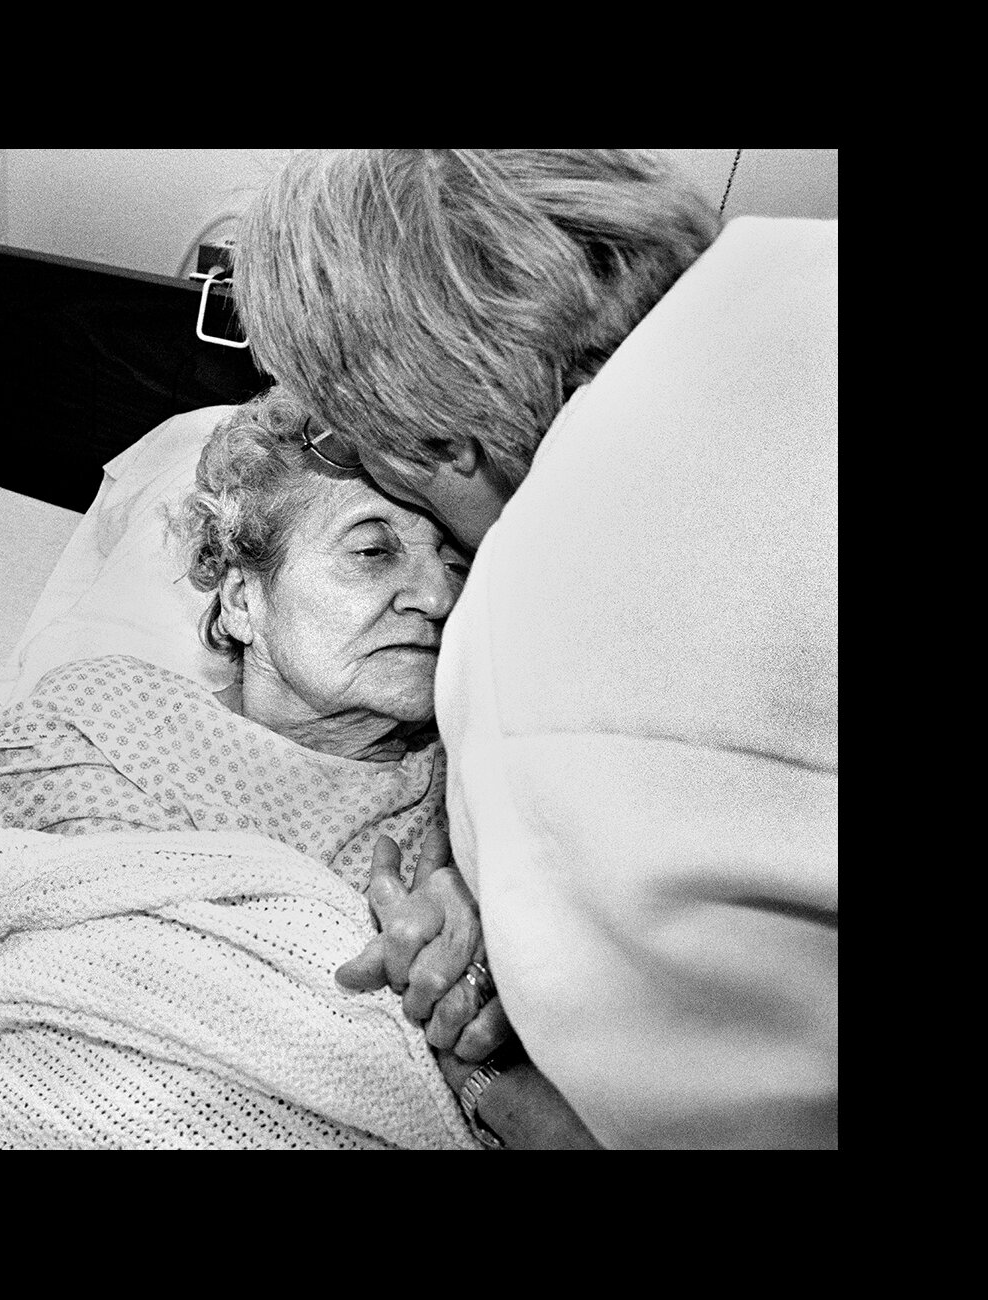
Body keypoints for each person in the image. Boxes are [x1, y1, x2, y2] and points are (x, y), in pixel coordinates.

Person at [233, 149, 836, 1148]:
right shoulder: (792, 266)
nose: (432, 593)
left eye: (357, 439)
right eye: (369, 545)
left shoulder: (539, 638)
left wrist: (496, 1073)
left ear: (432, 441)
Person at [0, 385, 467, 902]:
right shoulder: (96, 719)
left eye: (456, 564)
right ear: (242, 601)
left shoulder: (472, 808)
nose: (438, 597)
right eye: (372, 551)